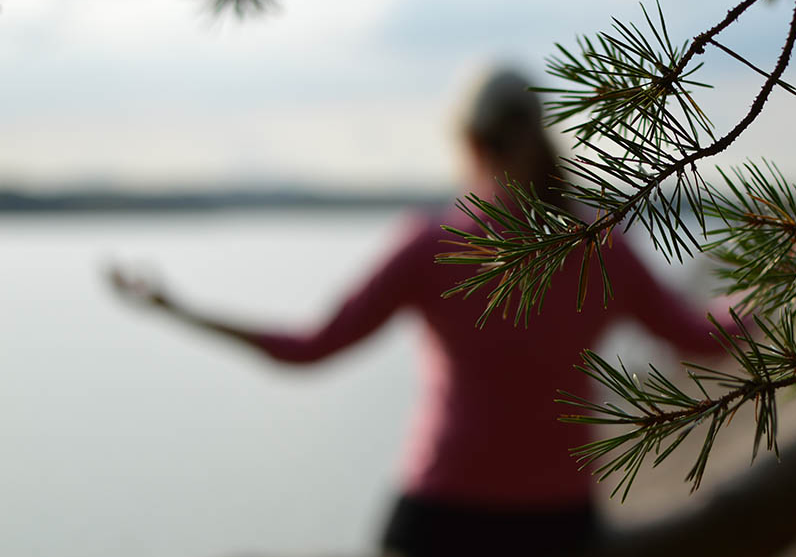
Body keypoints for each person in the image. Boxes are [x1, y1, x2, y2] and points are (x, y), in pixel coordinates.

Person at [109, 69, 729, 557]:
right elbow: (699, 339)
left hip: (443, 518)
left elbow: (309, 349)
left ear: (466, 142)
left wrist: (181, 312)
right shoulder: (601, 249)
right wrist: (774, 293)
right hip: (557, 522)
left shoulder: (434, 244)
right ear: (540, 135)